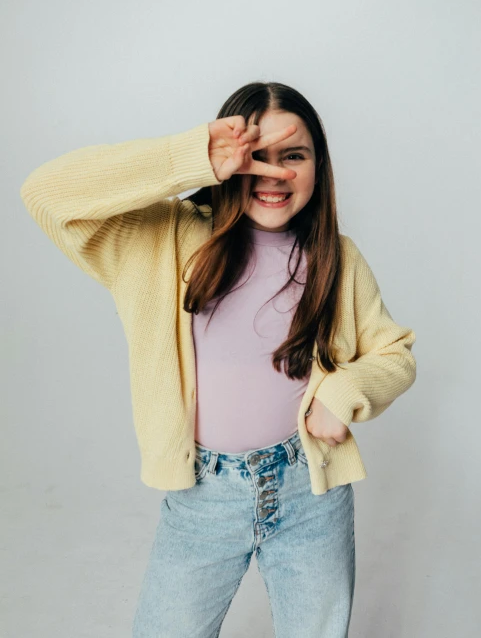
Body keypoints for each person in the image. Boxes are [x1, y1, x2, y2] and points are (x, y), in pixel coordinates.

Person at [20, 81, 417, 638]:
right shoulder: (167, 241)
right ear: (226, 161)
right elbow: (46, 193)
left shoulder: (336, 258)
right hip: (204, 496)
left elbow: (394, 353)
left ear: (318, 166)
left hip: (311, 493)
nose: (274, 174)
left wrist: (342, 391)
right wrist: (189, 157)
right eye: (256, 157)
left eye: (293, 156)